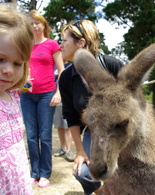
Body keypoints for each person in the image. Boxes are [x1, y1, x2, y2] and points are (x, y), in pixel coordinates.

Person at [59, 20, 123, 195]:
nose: (60, 45)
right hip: (94, 131)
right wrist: (80, 152)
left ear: (81, 43)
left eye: (64, 40)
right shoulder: (66, 77)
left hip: (122, 130)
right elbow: (70, 116)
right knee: (84, 172)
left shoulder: (112, 65)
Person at [20, 10, 64, 188]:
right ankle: (34, 173)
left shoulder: (52, 44)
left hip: (47, 94)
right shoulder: (23, 46)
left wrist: (58, 93)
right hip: (26, 95)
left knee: (45, 136)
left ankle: (45, 174)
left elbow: (62, 71)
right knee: (31, 136)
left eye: (37, 23)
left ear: (44, 25)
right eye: (31, 23)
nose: (34, 26)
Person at [0, 5, 34, 195]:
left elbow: (27, 85)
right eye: (0, 59)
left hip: (18, 182)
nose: (9, 70)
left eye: (17, 63)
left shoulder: (12, 95)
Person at [53, 61, 75, 162]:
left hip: (67, 99)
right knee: (59, 125)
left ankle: (69, 150)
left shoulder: (71, 66)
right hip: (55, 99)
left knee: (67, 126)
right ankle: (63, 147)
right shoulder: (53, 66)